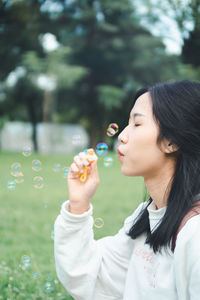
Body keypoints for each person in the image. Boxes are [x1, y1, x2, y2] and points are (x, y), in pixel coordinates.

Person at [54, 80, 200, 300]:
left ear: (172, 141)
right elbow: (92, 278)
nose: (122, 135)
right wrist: (78, 205)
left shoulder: (195, 234)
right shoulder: (146, 218)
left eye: (137, 124)